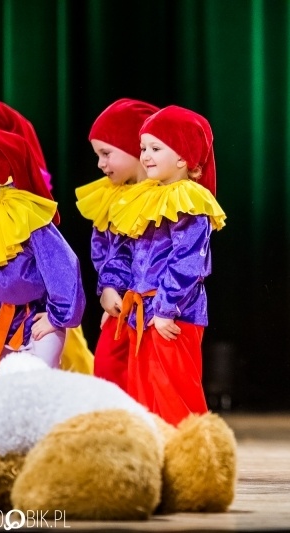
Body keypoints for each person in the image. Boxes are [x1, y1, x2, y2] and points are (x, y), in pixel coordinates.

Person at [105, 105, 226, 426]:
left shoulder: (189, 199)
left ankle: (193, 459)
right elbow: (124, 249)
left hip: (174, 313)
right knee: (144, 392)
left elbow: (188, 261)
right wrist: (113, 287)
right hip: (141, 312)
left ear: (184, 157)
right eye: (143, 147)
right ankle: (158, 457)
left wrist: (165, 308)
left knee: (175, 391)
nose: (145, 155)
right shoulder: (145, 196)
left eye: (156, 148)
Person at [0, 95, 95, 375]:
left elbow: (63, 265)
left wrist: (58, 318)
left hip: (34, 317)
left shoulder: (23, 214)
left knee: (35, 384)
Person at [75, 98, 160, 391]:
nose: (101, 163)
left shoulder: (165, 197)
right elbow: (108, 251)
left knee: (149, 383)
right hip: (121, 308)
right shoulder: (111, 197)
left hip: (156, 308)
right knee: (108, 370)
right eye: (98, 155)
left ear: (132, 147)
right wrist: (108, 287)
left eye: (106, 153)